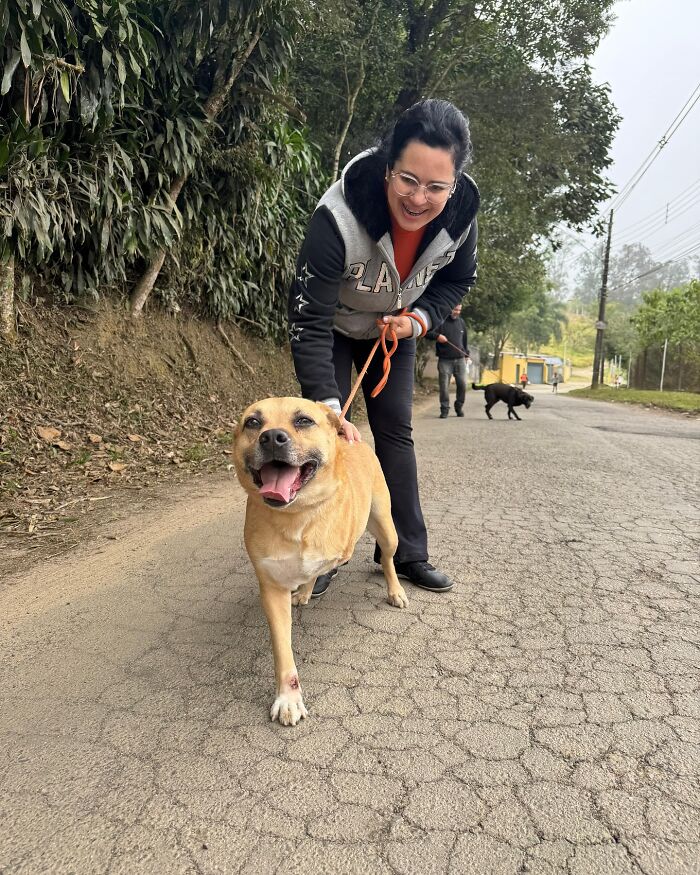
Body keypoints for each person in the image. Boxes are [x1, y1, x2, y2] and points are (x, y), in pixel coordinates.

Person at [287, 99, 479, 597]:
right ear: (388, 168)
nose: (419, 198)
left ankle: (406, 551)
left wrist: (419, 319)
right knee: (328, 439)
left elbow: (457, 282)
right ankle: (325, 550)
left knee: (395, 434)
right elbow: (307, 318)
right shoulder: (338, 217)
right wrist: (328, 408)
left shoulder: (460, 218)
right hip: (329, 329)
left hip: (396, 334)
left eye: (436, 186)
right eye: (408, 180)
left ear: (454, 184)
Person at [431, 302, 469, 417]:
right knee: (444, 386)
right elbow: (427, 332)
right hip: (444, 360)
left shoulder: (461, 322)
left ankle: (459, 406)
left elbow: (465, 341)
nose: (456, 312)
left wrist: (466, 354)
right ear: (450, 308)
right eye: (455, 309)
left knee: (462, 384)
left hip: (460, 359)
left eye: (459, 310)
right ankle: (444, 409)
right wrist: (438, 336)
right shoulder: (440, 321)